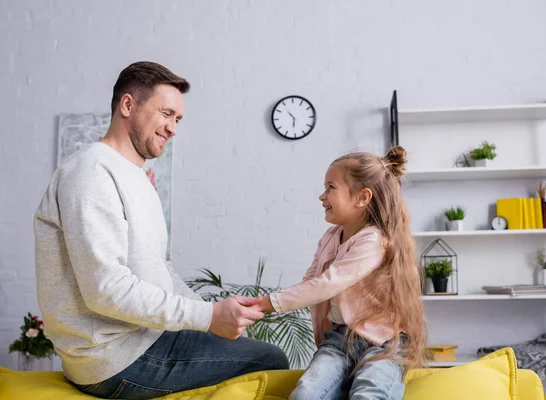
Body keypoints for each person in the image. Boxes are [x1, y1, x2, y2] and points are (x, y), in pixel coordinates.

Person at [33, 61, 289, 399]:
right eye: (166, 114)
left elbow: (161, 268)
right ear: (128, 105)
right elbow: (105, 289)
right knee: (271, 358)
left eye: (178, 119)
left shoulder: (136, 177)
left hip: (145, 339)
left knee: (248, 348)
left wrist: (214, 318)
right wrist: (208, 316)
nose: (173, 129)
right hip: (112, 360)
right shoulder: (91, 173)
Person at [254, 146, 427, 399]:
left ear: (362, 197)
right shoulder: (330, 237)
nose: (322, 196)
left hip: (383, 342)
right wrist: (261, 306)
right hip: (339, 339)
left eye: (330, 188)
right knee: (305, 394)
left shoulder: (374, 241)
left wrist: (267, 304)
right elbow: (311, 282)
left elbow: (327, 283)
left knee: (369, 394)